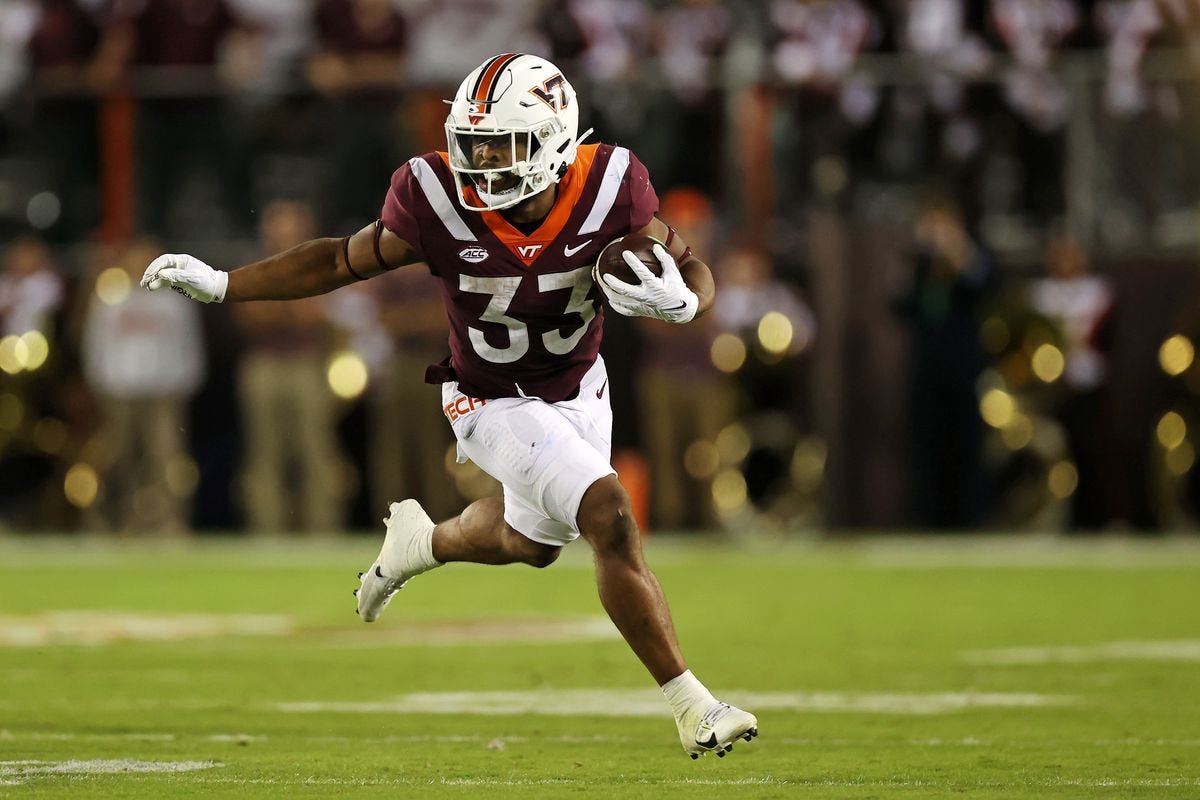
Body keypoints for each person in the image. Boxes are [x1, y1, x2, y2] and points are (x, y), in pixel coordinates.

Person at [141, 53, 757, 759]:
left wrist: (688, 303)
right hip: (487, 394)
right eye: (473, 144)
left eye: (501, 146)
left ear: (556, 142)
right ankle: (693, 705)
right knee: (607, 514)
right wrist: (225, 284)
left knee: (531, 545)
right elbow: (342, 259)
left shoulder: (612, 183)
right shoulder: (433, 192)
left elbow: (689, 267)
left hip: (581, 383)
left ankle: (419, 545)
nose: (482, 162)